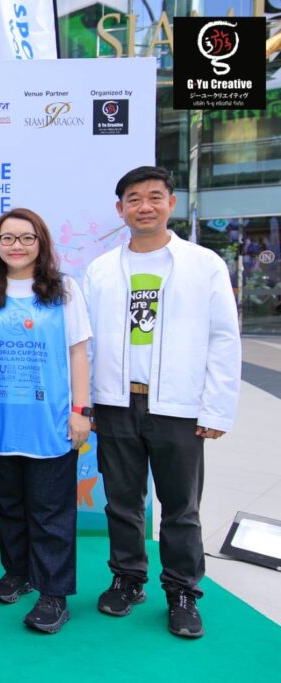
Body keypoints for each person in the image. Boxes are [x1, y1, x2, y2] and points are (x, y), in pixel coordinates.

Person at [84, 166, 241, 638]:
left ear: (171, 203)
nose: (145, 206)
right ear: (120, 210)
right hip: (116, 403)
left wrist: (216, 407)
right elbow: (86, 344)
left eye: (155, 197)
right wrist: (88, 403)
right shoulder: (101, 270)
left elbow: (223, 338)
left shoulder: (203, 265)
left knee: (180, 507)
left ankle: (182, 592)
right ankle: (128, 580)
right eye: (134, 199)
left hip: (178, 406)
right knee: (121, 502)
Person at [0, 208, 92, 634]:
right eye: (7, 238)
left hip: (51, 422)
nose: (17, 246)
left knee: (50, 513)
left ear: (41, 243)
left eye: (27, 238)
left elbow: (78, 352)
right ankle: (18, 573)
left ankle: (53, 594)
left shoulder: (64, 290)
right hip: (0, 422)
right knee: (8, 507)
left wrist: (81, 411)